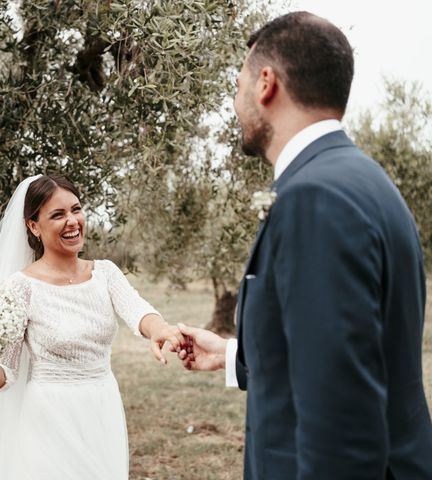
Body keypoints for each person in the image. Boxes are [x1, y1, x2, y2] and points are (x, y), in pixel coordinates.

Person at [176, 11, 432, 479]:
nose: (236, 103)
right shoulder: (366, 180)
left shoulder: (314, 198)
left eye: (238, 85)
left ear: (266, 84)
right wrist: (231, 355)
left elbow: (341, 422)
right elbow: (341, 355)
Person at [0, 174, 185, 480]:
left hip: (102, 408)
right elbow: (5, 375)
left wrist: (159, 329)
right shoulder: (20, 287)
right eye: (58, 214)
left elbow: (137, 309)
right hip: (49, 416)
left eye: (76, 209)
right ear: (33, 226)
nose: (72, 221)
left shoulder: (105, 273)